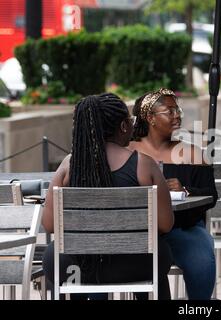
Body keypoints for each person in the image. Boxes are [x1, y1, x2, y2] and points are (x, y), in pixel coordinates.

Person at [42, 93, 175, 300]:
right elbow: (166, 224)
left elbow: (49, 224)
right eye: (130, 121)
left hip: (75, 266)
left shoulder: (68, 166)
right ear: (123, 126)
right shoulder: (143, 165)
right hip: (135, 264)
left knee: (54, 254)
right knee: (161, 251)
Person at [130, 88, 218, 300]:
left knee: (201, 262)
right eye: (169, 111)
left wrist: (186, 190)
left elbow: (211, 195)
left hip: (185, 227)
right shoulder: (128, 152)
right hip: (139, 231)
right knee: (143, 265)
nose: (177, 114)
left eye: (177, 109)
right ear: (150, 118)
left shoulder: (193, 153)